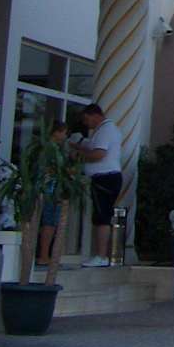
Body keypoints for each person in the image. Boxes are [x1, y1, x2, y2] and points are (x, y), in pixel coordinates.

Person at [69, 103, 122, 267]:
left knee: (102, 216)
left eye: (86, 119)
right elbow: (93, 147)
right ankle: (100, 254)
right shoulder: (102, 131)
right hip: (104, 177)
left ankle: (101, 255)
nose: (86, 123)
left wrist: (78, 155)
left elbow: (99, 154)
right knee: (100, 216)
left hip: (105, 178)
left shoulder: (106, 130)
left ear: (95, 115)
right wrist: (79, 144)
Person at [35, 121, 69, 267]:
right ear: (56, 132)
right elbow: (51, 170)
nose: (65, 136)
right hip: (50, 190)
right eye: (63, 132)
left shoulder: (51, 149)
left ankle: (46, 254)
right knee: (49, 223)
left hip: (52, 190)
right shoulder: (50, 150)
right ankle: (44, 255)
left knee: (51, 223)